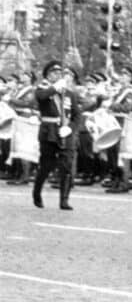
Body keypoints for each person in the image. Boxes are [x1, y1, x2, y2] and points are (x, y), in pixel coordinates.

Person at [33, 61, 80, 210]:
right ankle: (37, 191)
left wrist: (70, 129)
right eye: (54, 73)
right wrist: (54, 88)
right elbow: (41, 97)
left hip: (65, 133)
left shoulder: (69, 94)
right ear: (47, 75)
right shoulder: (43, 89)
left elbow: (77, 116)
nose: (57, 76)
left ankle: (64, 200)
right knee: (47, 165)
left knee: (66, 166)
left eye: (59, 73)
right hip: (49, 132)